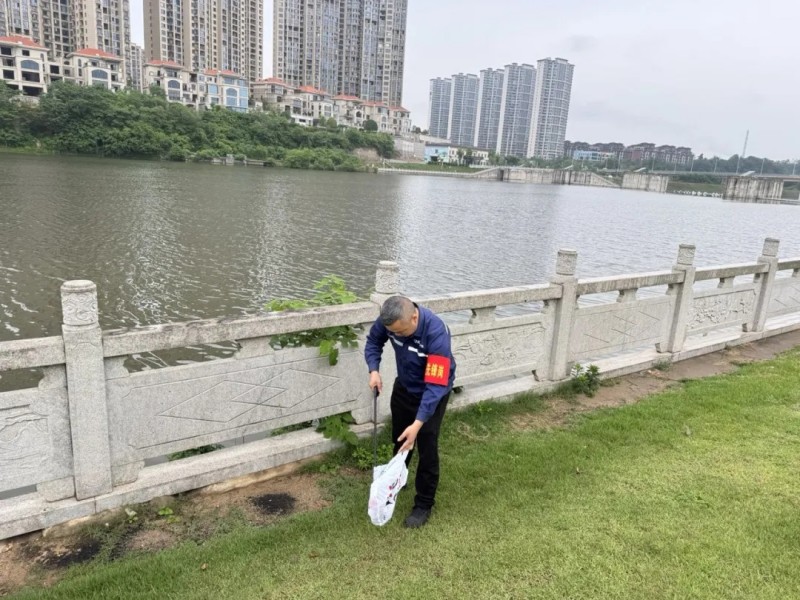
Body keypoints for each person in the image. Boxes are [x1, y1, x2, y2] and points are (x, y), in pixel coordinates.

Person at [365, 295, 456, 528]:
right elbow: (374, 341)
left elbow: (435, 386)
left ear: (414, 317)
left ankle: (424, 504)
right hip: (405, 386)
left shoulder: (436, 333)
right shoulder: (390, 319)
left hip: (432, 392)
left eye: (402, 332)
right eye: (393, 333)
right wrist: (374, 370)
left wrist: (418, 424)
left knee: (426, 445)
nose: (398, 335)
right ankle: (398, 477)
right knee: (400, 437)